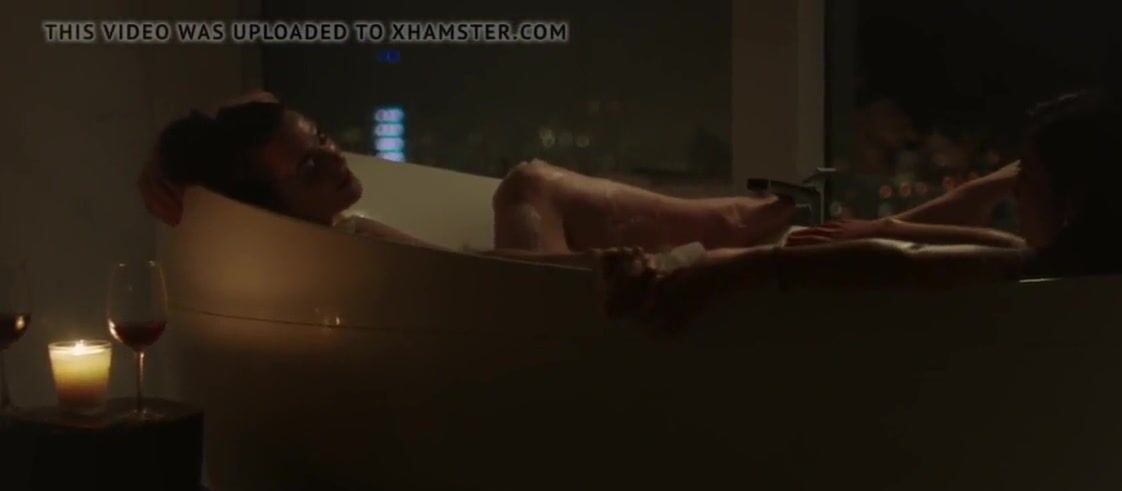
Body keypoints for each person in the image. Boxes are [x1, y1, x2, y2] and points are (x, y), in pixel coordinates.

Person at [597, 89, 1122, 334]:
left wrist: (715, 276)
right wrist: (887, 224)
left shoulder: (1026, 274)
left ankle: (654, 268)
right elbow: (966, 245)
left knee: (549, 207)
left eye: (1027, 178)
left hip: (703, 292)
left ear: (1074, 202)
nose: (1016, 192)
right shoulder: (1098, 273)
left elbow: (898, 262)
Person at [137, 91, 800, 260]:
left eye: (325, 140)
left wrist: (172, 154)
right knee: (527, 185)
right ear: (266, 206)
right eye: (311, 165)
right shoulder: (334, 257)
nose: (337, 159)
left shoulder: (338, 231)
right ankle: (732, 231)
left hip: (506, 297)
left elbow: (256, 106)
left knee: (533, 189)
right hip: (514, 322)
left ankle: (732, 227)